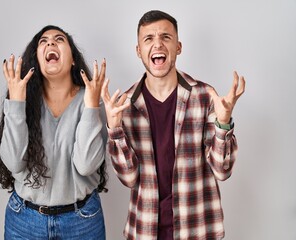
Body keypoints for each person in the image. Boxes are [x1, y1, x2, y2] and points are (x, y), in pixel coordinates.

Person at [101, 10, 246, 240]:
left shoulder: (205, 96)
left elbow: (222, 171)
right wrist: (115, 130)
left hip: (197, 228)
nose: (157, 44)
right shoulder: (125, 106)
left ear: (178, 47)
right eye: (148, 38)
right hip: (145, 230)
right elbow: (129, 179)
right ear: (139, 51)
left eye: (166, 37)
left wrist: (224, 123)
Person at [0, 25, 108, 239]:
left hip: (82, 221)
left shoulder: (90, 99)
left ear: (73, 59)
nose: (50, 43)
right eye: (43, 41)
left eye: (59, 39)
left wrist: (92, 105)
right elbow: (13, 163)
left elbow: (86, 165)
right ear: (37, 60)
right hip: (24, 221)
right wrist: (16, 102)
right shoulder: (24, 99)